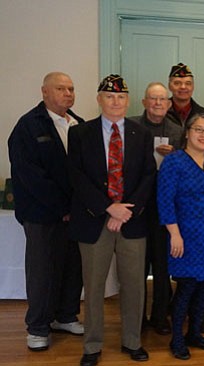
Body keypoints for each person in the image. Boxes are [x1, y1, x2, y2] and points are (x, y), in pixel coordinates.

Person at [68, 75, 155, 365]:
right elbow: (77, 177)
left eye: (120, 97)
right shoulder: (80, 133)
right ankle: (92, 346)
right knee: (93, 287)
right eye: (109, 96)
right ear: (98, 99)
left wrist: (126, 210)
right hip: (95, 221)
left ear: (127, 100)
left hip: (132, 221)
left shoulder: (141, 133)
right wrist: (108, 208)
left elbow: (147, 175)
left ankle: (132, 341)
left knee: (134, 285)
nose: (115, 101)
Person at [8, 71, 85, 351]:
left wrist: (77, 208)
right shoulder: (28, 126)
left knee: (72, 267)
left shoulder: (79, 125)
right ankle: (38, 327)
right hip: (42, 216)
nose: (68, 93)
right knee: (42, 271)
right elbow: (30, 176)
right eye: (61, 88)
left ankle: (65, 316)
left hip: (74, 216)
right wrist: (61, 207)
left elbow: (85, 172)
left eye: (71, 89)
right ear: (44, 92)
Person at [158, 114, 204, 360]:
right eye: (198, 130)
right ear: (187, 132)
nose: (203, 135)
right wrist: (174, 234)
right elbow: (165, 200)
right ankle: (177, 339)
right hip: (186, 236)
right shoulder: (174, 162)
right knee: (187, 286)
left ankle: (195, 333)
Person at [131, 82, 182, 335]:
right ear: (144, 102)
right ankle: (136, 318)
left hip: (166, 206)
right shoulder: (131, 126)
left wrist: (174, 156)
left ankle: (161, 317)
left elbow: (187, 165)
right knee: (137, 265)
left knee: (162, 266)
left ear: (169, 104)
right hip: (137, 206)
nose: (158, 104)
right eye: (153, 99)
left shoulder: (177, 130)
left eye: (163, 100)